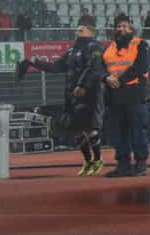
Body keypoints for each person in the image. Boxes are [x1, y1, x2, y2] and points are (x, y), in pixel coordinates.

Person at [17, 23, 108, 175]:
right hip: (71, 94)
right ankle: (88, 161)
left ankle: (98, 159)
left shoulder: (95, 47)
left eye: (81, 30)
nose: (76, 32)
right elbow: (55, 67)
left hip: (90, 94)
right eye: (77, 30)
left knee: (90, 128)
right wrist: (34, 61)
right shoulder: (72, 50)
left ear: (91, 32)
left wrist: (83, 85)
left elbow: (94, 68)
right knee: (75, 130)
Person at [100, 14, 150, 177]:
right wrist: (106, 78)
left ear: (131, 28)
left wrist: (119, 80)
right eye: (118, 26)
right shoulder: (108, 48)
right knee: (118, 133)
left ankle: (140, 164)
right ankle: (123, 165)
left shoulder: (141, 44)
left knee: (138, 130)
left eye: (125, 26)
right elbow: (101, 68)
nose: (121, 29)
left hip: (134, 94)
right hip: (114, 96)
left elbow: (141, 66)